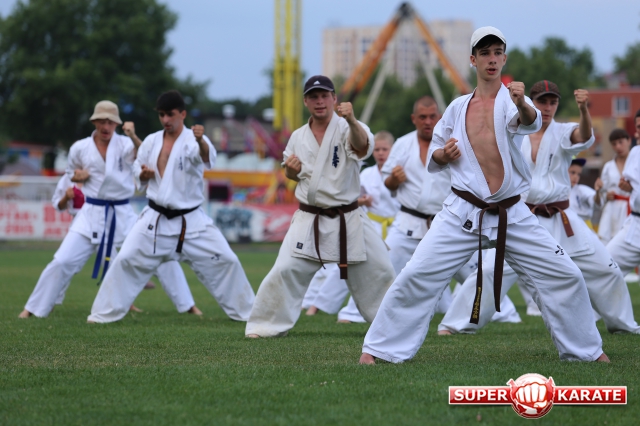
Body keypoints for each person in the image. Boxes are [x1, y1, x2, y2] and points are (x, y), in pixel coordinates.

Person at [360, 27, 607, 364]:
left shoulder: (513, 101)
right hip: (462, 211)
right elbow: (435, 154)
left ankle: (586, 351)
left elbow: (531, 122)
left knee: (565, 274)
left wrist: (521, 102)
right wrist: (443, 155)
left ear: (504, 59)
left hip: (512, 212)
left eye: (497, 53)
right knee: (417, 273)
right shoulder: (457, 108)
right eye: (485, 53)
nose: (492, 59)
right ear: (473, 60)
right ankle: (379, 349)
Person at [437, 80, 639, 336]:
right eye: (542, 102)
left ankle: (623, 325)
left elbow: (583, 136)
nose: (548, 108)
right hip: (522, 216)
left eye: (553, 102)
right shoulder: (513, 130)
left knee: (605, 268)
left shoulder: (563, 132)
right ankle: (454, 325)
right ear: (532, 102)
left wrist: (584, 110)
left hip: (562, 217)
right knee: (490, 270)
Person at [245, 75, 396, 338]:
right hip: (310, 217)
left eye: (325, 95)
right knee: (285, 269)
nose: (320, 101)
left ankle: (394, 327)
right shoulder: (298, 137)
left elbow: (362, 147)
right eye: (313, 97)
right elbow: (291, 172)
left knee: (381, 269)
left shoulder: (349, 127)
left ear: (334, 98)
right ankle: (263, 326)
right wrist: (291, 172)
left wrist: (352, 120)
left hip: (348, 216)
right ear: (306, 102)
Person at [19, 101, 200, 319]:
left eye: (110, 122)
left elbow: (146, 155)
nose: (106, 126)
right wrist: (77, 176)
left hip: (122, 213)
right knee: (62, 260)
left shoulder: (125, 144)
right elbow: (70, 173)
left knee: (160, 252)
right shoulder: (80, 148)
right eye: (102, 121)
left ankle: (187, 304)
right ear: (94, 122)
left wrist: (133, 135)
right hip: (90, 214)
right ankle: (34, 308)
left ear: (117, 124)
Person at [87, 91, 255, 323]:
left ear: (182, 114)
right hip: (154, 219)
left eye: (170, 114)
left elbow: (205, 156)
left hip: (191, 222)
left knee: (228, 260)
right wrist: (143, 174)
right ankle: (102, 315)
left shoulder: (193, 140)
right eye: (162, 115)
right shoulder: (151, 141)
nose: (166, 119)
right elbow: (137, 167)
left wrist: (200, 141)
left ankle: (249, 314)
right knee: (125, 259)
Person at [304, 131, 399, 323]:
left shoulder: (399, 171)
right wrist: (363, 201)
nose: (381, 153)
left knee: (399, 269)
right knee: (347, 264)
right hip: (372, 224)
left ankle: (442, 305)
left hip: (398, 227)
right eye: (377, 149)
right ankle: (320, 304)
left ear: (393, 150)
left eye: (385, 149)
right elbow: (351, 197)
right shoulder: (367, 174)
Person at [607, 110, 640, 282]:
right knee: (606, 268)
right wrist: (626, 186)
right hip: (635, 223)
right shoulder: (635, 152)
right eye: (638, 127)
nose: (638, 133)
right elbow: (627, 183)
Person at [598, 129, 633, 243]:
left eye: (621, 142)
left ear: (629, 141)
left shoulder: (636, 163)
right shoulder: (608, 166)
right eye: (614, 144)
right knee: (609, 244)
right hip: (612, 209)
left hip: (632, 208)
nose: (618, 146)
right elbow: (602, 192)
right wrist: (606, 195)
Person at [569, 158, 602, 230]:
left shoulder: (581, 190)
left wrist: (597, 192)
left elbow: (596, 202)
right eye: (572, 172)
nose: (576, 177)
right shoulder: (556, 191)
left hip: (584, 228)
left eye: (578, 174)